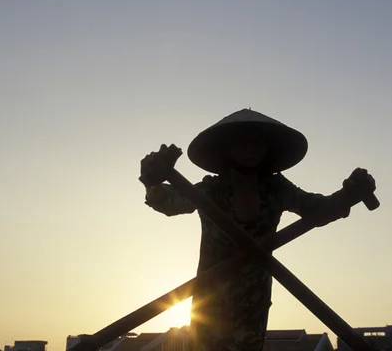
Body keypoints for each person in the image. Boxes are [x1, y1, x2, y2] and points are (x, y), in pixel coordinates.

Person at [140, 108, 376, 351]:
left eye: (258, 143)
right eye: (243, 143)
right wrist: (153, 182)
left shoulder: (276, 188)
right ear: (228, 148)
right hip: (211, 300)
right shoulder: (212, 189)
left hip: (254, 299)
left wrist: (348, 195)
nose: (252, 149)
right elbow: (169, 202)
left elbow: (317, 209)